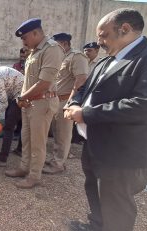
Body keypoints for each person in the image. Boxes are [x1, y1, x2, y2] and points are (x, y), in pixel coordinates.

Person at [64, 9, 147, 231]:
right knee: (95, 191)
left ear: (124, 29)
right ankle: (96, 225)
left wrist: (85, 114)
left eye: (103, 35)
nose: (99, 42)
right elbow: (84, 88)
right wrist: (75, 102)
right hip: (95, 142)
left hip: (122, 149)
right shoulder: (108, 60)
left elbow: (145, 104)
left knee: (116, 203)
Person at [5, 18, 64, 189]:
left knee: (38, 142)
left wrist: (22, 98)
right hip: (30, 103)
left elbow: (44, 83)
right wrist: (22, 98)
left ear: (36, 33)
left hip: (42, 102)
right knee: (27, 139)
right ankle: (24, 168)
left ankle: (35, 176)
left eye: (25, 38)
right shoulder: (34, 52)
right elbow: (27, 81)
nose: (23, 42)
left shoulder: (52, 49)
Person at [43, 33, 89, 174]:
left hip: (65, 100)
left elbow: (81, 80)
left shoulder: (77, 56)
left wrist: (71, 102)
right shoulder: (61, 57)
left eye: (55, 44)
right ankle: (56, 160)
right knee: (56, 133)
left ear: (64, 43)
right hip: (56, 99)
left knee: (63, 135)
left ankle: (58, 164)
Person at [11, 47, 31, 156]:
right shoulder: (16, 65)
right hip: (17, 94)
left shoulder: (31, 64)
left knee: (24, 121)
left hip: (28, 95)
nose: (22, 58)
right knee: (17, 117)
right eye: (21, 56)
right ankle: (16, 133)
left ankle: (21, 147)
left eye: (24, 56)